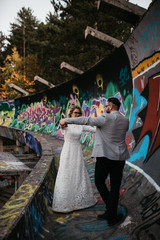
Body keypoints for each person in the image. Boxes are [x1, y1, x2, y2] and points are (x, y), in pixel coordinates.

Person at [60, 97, 130, 226]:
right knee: (115, 187)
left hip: (105, 157)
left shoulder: (105, 118)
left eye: (107, 105)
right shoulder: (126, 120)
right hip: (120, 158)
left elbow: (86, 120)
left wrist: (66, 119)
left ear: (112, 106)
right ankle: (111, 213)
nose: (105, 108)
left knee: (99, 181)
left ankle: (111, 213)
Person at [52, 105, 97, 213]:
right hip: (68, 150)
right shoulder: (66, 123)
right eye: (75, 113)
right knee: (66, 173)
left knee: (78, 173)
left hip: (77, 151)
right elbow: (62, 124)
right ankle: (64, 203)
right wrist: (65, 120)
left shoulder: (81, 125)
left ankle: (78, 201)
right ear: (71, 114)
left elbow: (94, 130)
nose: (77, 115)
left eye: (79, 113)